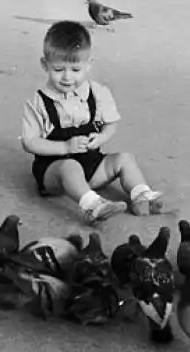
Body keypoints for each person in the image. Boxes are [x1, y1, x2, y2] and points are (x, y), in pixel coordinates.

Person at [21, 21, 167, 225]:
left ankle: (141, 195)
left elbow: (111, 125)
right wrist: (64, 147)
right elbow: (29, 142)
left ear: (88, 65)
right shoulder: (38, 102)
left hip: (91, 165)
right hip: (54, 173)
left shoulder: (98, 93)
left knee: (124, 158)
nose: (66, 77)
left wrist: (101, 138)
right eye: (58, 69)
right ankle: (93, 205)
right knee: (70, 167)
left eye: (75, 69)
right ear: (45, 65)